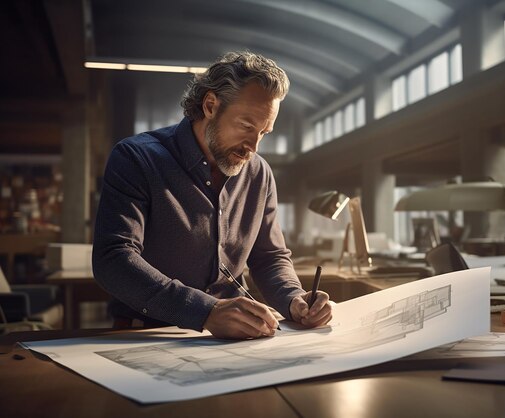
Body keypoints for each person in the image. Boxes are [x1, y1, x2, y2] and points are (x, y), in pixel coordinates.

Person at [92, 51, 332, 339]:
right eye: (246, 126)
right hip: (149, 334)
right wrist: (204, 311)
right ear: (210, 105)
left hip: (235, 338)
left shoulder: (259, 174)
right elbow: (113, 260)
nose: (253, 146)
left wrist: (294, 299)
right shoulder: (136, 159)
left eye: (264, 132)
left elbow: (269, 257)